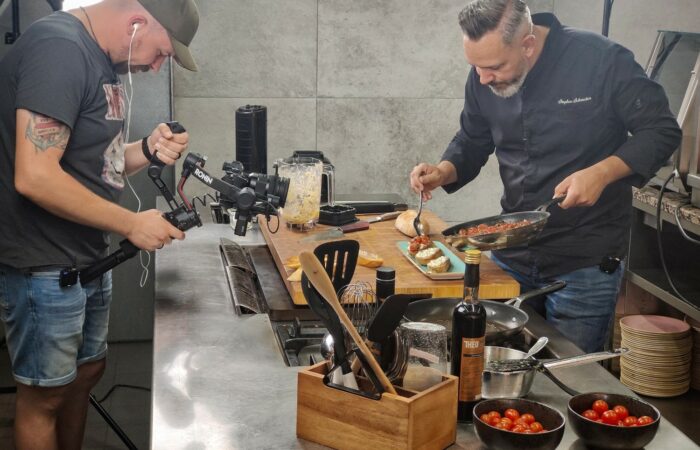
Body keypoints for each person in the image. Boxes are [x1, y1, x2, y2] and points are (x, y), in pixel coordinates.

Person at [410, 0, 681, 354]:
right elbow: (473, 139)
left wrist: (601, 173)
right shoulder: (484, 73)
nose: (482, 78)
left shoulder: (601, 59)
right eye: (475, 67)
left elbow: (661, 131)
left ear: (528, 44)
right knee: (500, 366)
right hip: (509, 254)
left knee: (569, 375)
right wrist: (443, 171)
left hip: (584, 259)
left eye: (493, 67)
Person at [0, 0, 200, 448]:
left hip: (86, 254)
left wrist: (147, 148)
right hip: (43, 262)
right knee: (44, 397)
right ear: (135, 23)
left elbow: (98, 164)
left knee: (87, 373)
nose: (156, 65)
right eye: (162, 52)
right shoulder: (59, 49)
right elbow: (34, 175)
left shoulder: (97, 58)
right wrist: (130, 222)